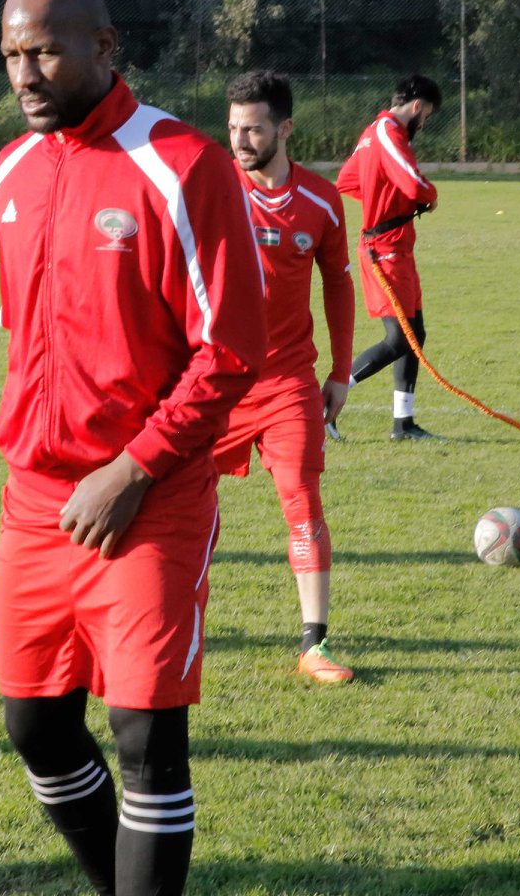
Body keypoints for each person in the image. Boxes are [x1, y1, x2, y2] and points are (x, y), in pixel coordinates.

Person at [0, 0, 265, 896]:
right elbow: (27, 334)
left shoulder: (184, 164)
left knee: (146, 739)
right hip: (36, 504)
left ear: (104, 49)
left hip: (149, 496)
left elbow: (229, 350)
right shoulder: (9, 173)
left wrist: (133, 468)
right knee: (35, 727)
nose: (26, 73)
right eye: (13, 55)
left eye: (46, 51)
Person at [220, 71, 357, 684]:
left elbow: (339, 285)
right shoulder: (211, 190)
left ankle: (314, 644)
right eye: (232, 128)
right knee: (170, 499)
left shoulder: (323, 201)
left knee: (303, 505)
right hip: (212, 380)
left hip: (287, 385)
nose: (240, 140)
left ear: (285, 128)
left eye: (252, 128)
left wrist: (340, 372)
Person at [336, 74, 442, 440]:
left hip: (397, 246)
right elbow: (415, 184)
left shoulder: (373, 134)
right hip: (384, 250)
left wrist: (385, 196)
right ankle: (325, 401)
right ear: (416, 106)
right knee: (399, 339)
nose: (424, 122)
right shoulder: (386, 132)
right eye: (425, 114)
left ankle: (403, 424)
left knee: (416, 334)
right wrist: (429, 195)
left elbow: (348, 180)